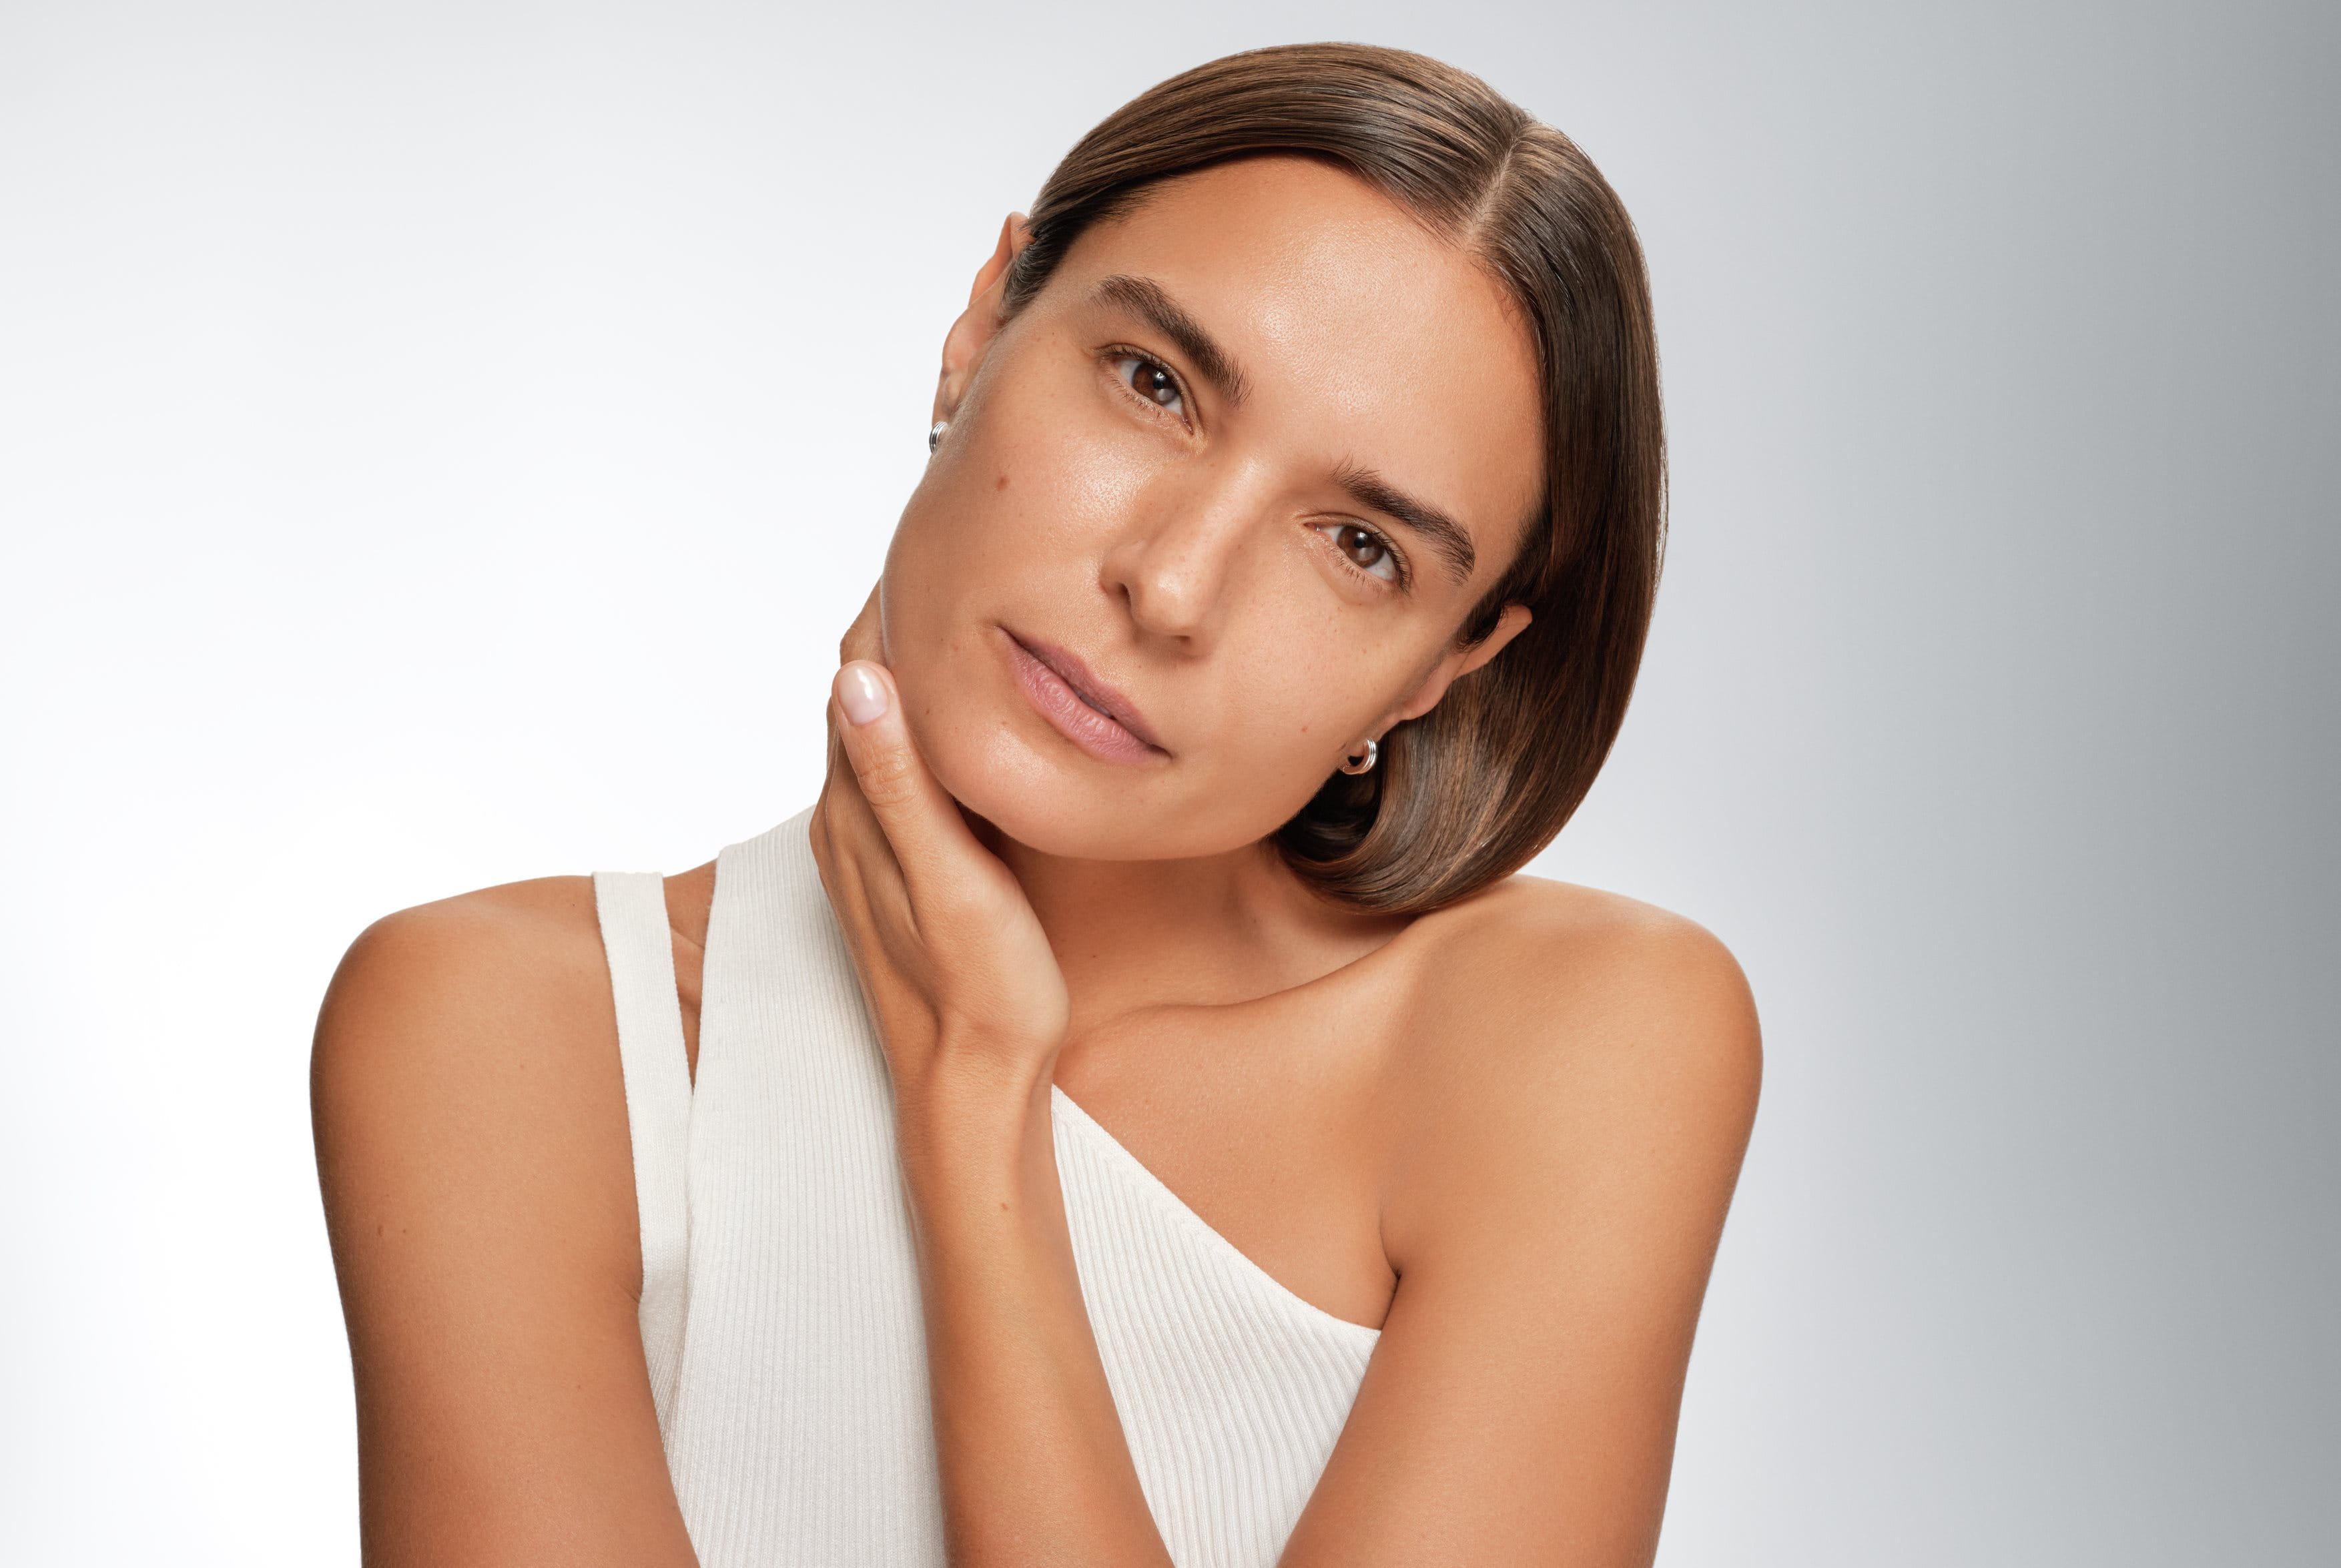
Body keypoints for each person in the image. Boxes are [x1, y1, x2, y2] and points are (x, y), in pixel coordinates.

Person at [311, 41, 1760, 1568]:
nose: (1172, 583)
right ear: (982, 322)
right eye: (1155, 384)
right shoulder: (509, 1037)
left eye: (1357, 545)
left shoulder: (1572, 1042)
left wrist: (977, 1099)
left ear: (1445, 665)